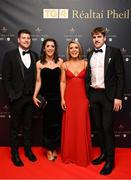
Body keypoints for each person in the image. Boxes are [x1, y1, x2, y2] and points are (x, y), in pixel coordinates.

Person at [85, 27, 125, 175]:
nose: (96, 39)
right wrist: (87, 96)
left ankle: (110, 161)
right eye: (94, 37)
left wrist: (118, 97)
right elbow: (88, 77)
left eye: (99, 37)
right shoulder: (89, 54)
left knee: (107, 128)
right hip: (94, 95)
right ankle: (102, 154)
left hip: (108, 96)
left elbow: (121, 76)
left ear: (105, 38)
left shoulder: (114, 52)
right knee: (99, 128)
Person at [2, 29, 38, 166]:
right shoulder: (9, 55)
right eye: (23, 38)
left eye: (28, 38)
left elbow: (37, 78)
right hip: (17, 98)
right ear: (18, 40)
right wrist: (12, 95)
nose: (26, 40)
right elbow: (6, 78)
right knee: (15, 127)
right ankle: (14, 153)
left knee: (28, 126)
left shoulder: (34, 56)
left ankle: (28, 151)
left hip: (30, 97)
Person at [60, 40, 92, 167]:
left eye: (76, 48)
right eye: (71, 48)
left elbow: (91, 82)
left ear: (80, 50)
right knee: (70, 126)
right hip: (69, 98)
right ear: (68, 50)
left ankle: (82, 156)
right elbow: (63, 82)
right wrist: (62, 99)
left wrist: (90, 98)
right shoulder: (65, 64)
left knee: (81, 125)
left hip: (83, 99)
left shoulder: (86, 63)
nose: (74, 50)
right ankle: (69, 155)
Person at [33, 38, 63, 161]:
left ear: (55, 48)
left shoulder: (60, 62)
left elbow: (62, 81)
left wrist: (63, 98)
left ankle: (54, 147)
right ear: (44, 48)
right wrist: (34, 95)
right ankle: (48, 150)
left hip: (57, 98)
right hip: (45, 99)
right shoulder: (39, 63)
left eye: (52, 46)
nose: (50, 48)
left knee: (57, 124)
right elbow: (38, 81)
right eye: (48, 46)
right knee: (47, 124)